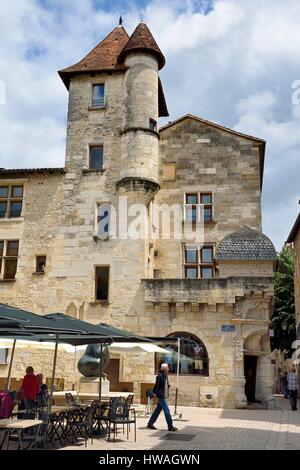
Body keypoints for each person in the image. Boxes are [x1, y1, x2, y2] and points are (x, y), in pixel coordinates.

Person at [147, 363, 178, 432]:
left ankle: (150, 423)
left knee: (157, 411)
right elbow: (157, 386)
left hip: (164, 395)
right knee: (167, 411)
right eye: (167, 368)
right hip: (161, 396)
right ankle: (170, 426)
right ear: (164, 369)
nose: (169, 369)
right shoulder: (159, 376)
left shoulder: (165, 375)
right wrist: (155, 394)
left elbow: (163, 385)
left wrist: (167, 386)